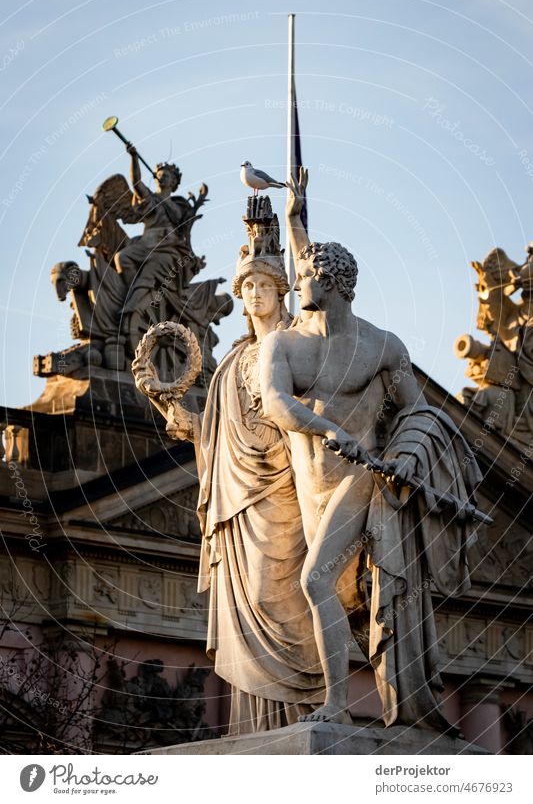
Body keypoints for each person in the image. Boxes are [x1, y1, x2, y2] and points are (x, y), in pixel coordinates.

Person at [260, 188, 481, 732]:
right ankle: (368, 694)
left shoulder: (384, 347)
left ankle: (336, 705)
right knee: (333, 594)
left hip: (360, 479)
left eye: (305, 276)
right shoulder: (284, 346)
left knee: (315, 582)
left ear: (330, 284)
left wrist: (406, 456)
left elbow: (423, 415)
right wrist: (329, 426)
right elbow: (276, 403)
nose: (295, 284)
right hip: (311, 490)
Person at [153, 199, 324, 734]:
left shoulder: (297, 348)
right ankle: (253, 726)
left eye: (265, 287)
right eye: (247, 287)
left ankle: (298, 713)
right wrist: (184, 418)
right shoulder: (228, 362)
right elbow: (217, 433)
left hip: (286, 498)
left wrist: (291, 226)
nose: (254, 296)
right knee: (244, 601)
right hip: (235, 503)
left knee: (284, 601)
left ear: (282, 293)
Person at [115, 146, 204, 313]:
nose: (161, 178)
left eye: (166, 176)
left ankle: (133, 304)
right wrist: (134, 158)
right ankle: (136, 292)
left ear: (173, 182)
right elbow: (136, 183)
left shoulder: (178, 208)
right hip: (145, 244)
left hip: (167, 249)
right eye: (159, 176)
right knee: (121, 258)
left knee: (150, 269)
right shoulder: (151, 199)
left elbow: (184, 233)